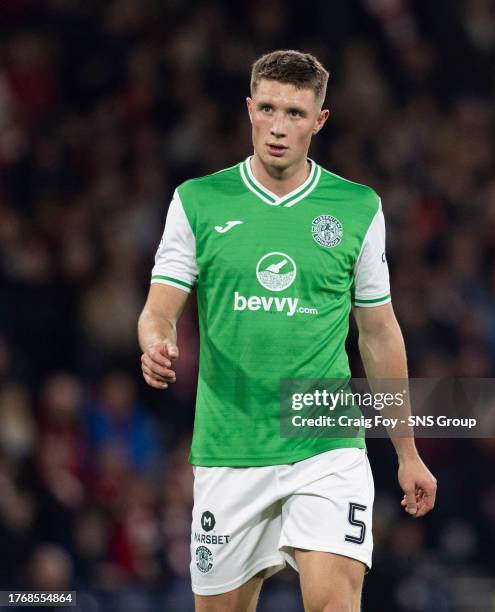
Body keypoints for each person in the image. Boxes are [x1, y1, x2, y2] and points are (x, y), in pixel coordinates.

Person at [138, 49, 437, 612]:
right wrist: (155, 340)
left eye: (296, 114)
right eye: (268, 109)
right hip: (231, 446)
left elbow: (378, 333)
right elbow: (158, 309)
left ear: (319, 121)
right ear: (249, 108)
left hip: (325, 444)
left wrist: (407, 452)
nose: (278, 127)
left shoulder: (356, 208)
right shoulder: (197, 202)